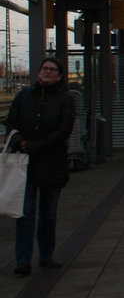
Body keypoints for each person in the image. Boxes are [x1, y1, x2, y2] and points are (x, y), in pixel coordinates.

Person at [5, 56, 76, 275]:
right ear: (38, 72)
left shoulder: (65, 99)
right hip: (25, 164)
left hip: (52, 163)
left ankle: (46, 256)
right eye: (44, 68)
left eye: (52, 69)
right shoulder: (24, 96)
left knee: (48, 214)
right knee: (25, 213)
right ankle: (23, 260)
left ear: (59, 75)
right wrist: (19, 141)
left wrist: (34, 145)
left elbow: (63, 130)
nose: (46, 72)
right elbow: (10, 122)